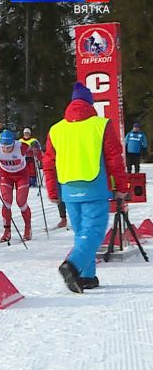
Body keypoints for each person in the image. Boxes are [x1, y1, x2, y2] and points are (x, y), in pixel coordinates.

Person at [43, 82, 128, 293]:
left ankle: (86, 276)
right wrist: (121, 186)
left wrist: (53, 191)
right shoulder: (101, 125)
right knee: (95, 231)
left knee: (82, 232)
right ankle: (72, 265)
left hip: (69, 189)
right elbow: (114, 158)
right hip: (94, 186)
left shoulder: (56, 129)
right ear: (91, 104)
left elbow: (48, 162)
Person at [0, 130, 33, 242]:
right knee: (6, 201)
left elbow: (34, 150)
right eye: (3, 147)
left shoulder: (21, 147)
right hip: (5, 175)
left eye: (9, 147)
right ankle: (7, 231)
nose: (5, 150)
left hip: (21, 175)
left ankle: (27, 228)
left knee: (21, 202)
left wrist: (35, 150)